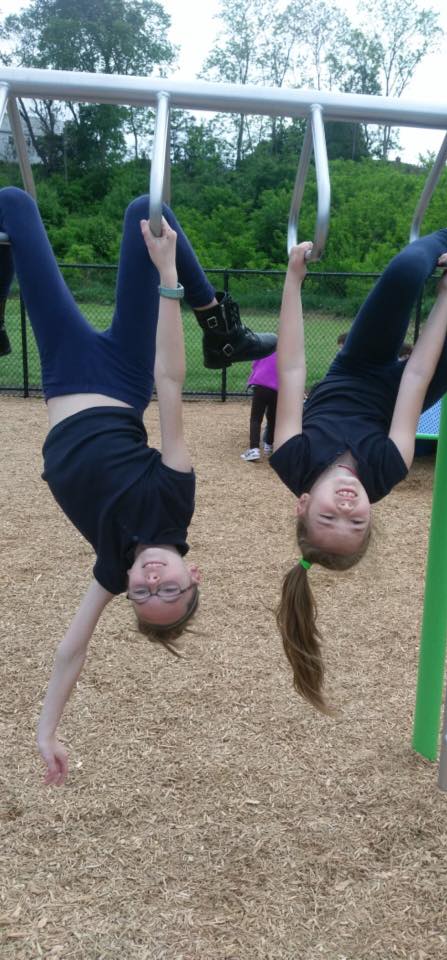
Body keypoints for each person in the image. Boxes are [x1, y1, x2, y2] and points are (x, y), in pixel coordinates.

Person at [0, 186, 276, 785]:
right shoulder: (176, 501)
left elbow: (73, 648)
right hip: (126, 377)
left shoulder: (109, 563)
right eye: (168, 590)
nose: (152, 584)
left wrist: (47, 729)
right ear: (191, 574)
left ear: (127, 587)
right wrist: (170, 279)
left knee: (12, 205)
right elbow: (171, 385)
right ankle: (219, 328)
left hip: (63, 371)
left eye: (143, 596)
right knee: (146, 213)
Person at [270, 203, 447, 714]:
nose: (346, 503)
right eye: (356, 518)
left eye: (329, 514)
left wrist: (292, 284)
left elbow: (293, 369)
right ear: (371, 513)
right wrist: (446, 297)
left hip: (355, 363)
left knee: (411, 269)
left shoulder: (291, 458)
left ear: (302, 503)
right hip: (404, 394)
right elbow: (413, 379)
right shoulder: (388, 468)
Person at [241, 351, 278, 462]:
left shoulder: (264, 349)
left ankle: (254, 449)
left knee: (256, 419)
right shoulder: (286, 353)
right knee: (272, 418)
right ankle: (269, 446)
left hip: (260, 386)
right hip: (277, 389)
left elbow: (255, 365)